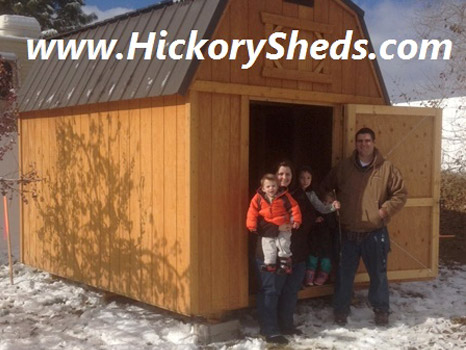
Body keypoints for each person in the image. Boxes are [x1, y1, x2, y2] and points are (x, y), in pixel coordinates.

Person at [321, 127, 407, 326]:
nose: (364, 144)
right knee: (344, 275)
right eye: (360, 141)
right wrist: (331, 201)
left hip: (374, 233)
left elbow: (400, 194)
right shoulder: (344, 167)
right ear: (355, 143)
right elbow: (325, 187)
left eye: (367, 140)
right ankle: (341, 310)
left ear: (373, 142)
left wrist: (384, 211)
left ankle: (381, 310)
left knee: (378, 275)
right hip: (347, 232)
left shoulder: (386, 168)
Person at [253, 161, 311, 345]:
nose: (284, 178)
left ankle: (286, 324)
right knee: (271, 291)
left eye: (288, 175)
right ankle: (269, 329)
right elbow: (257, 225)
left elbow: (309, 222)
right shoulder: (264, 197)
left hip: (296, 253)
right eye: (280, 174)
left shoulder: (300, 195)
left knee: (290, 291)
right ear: (273, 177)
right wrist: (278, 226)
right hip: (271, 253)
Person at [246, 173, 302, 274]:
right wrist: (251, 225)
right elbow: (252, 211)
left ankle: (285, 264)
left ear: (278, 186)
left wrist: (296, 220)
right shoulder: (258, 198)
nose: (271, 188)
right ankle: (270, 264)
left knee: (283, 243)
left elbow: (294, 207)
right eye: (268, 186)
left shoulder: (284, 197)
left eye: (273, 186)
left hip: (284, 223)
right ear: (263, 188)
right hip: (268, 225)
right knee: (268, 244)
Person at [297, 166, 340, 286]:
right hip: (295, 228)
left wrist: (332, 207)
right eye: (302, 177)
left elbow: (320, 207)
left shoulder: (311, 194)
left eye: (308, 178)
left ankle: (311, 276)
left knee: (313, 252)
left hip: (308, 229)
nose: (305, 181)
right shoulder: (293, 192)